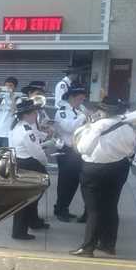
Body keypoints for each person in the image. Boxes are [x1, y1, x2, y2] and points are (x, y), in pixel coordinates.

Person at [70, 97, 136, 257]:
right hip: (119, 168)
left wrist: (87, 131)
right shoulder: (128, 126)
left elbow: (84, 149)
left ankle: (87, 248)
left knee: (94, 210)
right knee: (111, 206)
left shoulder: (97, 126)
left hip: (95, 170)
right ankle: (108, 245)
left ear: (104, 111)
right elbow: (130, 150)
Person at [8, 97, 50, 240]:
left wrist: (46, 135)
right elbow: (37, 152)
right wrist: (45, 163)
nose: (36, 115)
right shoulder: (26, 130)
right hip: (29, 164)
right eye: (34, 113)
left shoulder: (19, 125)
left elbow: (37, 136)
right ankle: (19, 231)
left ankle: (33, 221)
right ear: (26, 114)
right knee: (28, 198)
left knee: (33, 196)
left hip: (20, 162)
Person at [53, 86, 88, 221]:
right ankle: (60, 209)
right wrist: (83, 116)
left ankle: (65, 207)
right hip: (66, 150)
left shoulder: (79, 110)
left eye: (83, 99)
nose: (82, 101)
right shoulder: (62, 112)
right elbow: (69, 127)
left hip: (78, 151)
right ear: (71, 98)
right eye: (80, 99)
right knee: (65, 182)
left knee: (74, 182)